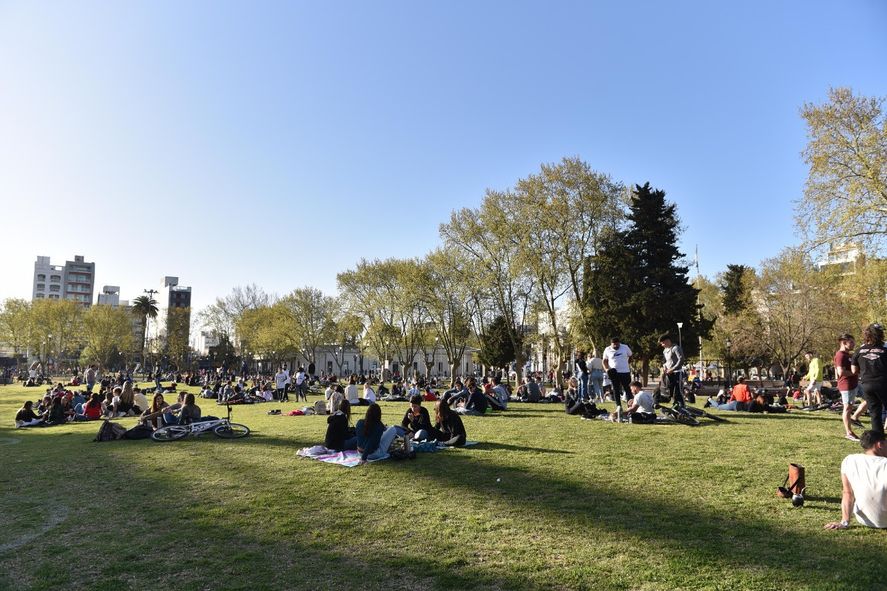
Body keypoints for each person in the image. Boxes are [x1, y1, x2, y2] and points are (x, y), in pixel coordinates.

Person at [825, 430, 887, 530]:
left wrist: (844, 522)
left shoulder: (849, 460)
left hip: (864, 520)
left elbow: (847, 493)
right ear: (880, 444)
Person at [852, 323, 887, 434]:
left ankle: (878, 438)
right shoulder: (885, 350)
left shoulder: (859, 351)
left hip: (866, 385)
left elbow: (854, 370)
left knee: (874, 412)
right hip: (883, 383)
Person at [836, 333, 866, 442]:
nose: (854, 344)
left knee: (870, 398)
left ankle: (855, 418)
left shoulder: (848, 355)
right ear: (844, 342)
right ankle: (849, 433)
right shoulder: (840, 355)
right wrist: (855, 372)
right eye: (851, 342)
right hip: (846, 385)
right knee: (848, 408)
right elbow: (841, 372)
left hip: (855, 383)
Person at [602, 337, 633, 410]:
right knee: (616, 390)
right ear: (611, 344)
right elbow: (604, 361)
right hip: (614, 373)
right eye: (614, 345)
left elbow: (630, 356)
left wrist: (627, 363)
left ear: (619, 343)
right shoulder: (607, 349)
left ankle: (630, 407)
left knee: (628, 389)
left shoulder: (625, 347)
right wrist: (607, 369)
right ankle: (618, 406)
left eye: (617, 345)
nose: (616, 346)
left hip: (625, 372)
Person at [659, 334, 686, 408]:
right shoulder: (665, 351)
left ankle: (682, 406)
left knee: (678, 391)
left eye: (663, 343)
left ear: (667, 341)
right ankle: (675, 405)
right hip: (668, 374)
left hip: (677, 373)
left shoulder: (676, 348)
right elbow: (665, 361)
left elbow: (681, 359)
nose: (662, 345)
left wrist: (673, 369)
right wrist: (664, 367)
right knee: (671, 391)